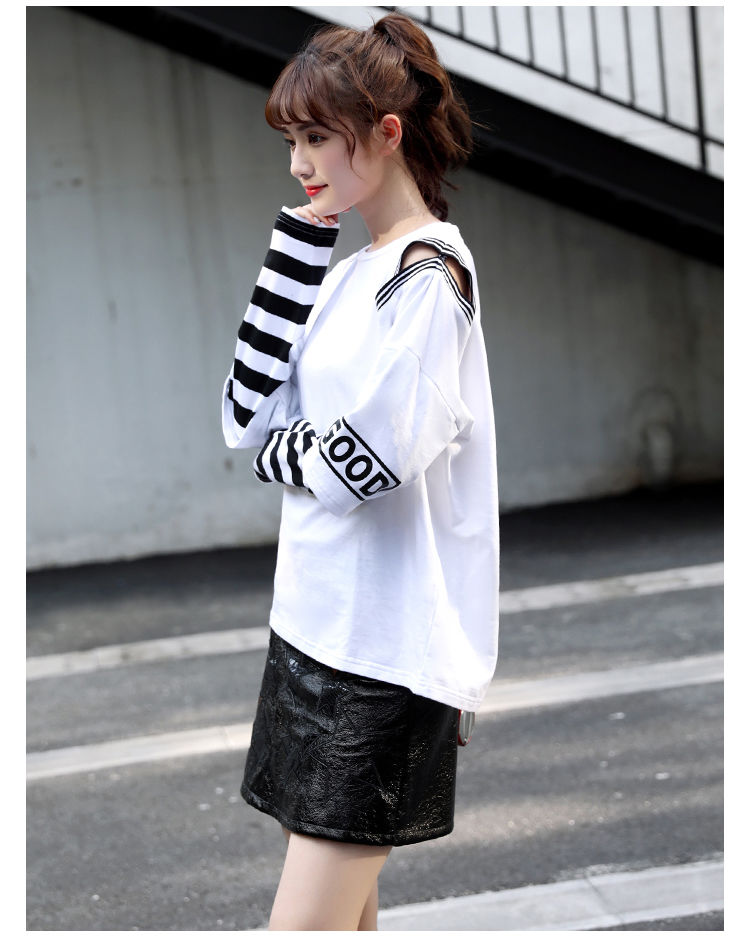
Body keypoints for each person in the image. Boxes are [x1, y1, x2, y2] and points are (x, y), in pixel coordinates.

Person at [221, 11, 499, 931]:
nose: (298, 164)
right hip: (310, 628)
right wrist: (297, 253)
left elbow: (370, 458)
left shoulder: (430, 278)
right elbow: (244, 417)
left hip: (382, 658)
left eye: (315, 138)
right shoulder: (342, 276)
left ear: (385, 132)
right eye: (291, 141)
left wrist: (287, 452)